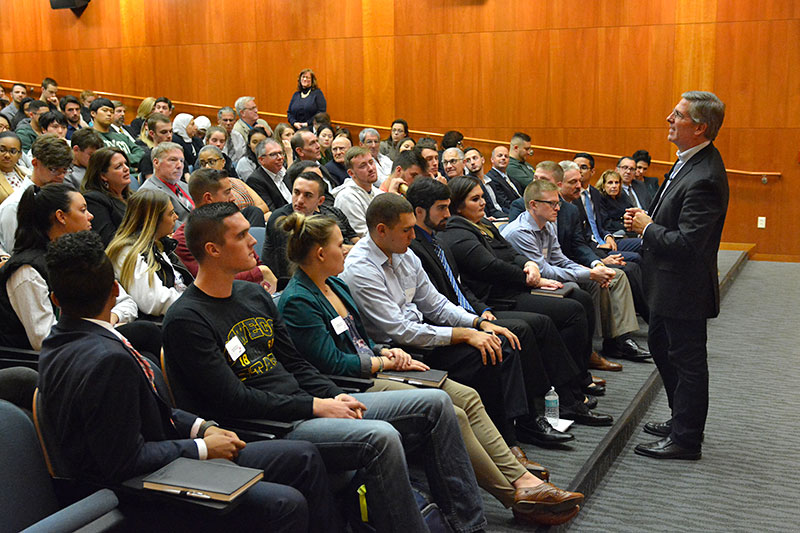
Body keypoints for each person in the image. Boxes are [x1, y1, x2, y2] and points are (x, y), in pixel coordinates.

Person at [162, 201, 487, 533]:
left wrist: (336, 396)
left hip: (307, 403)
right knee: (382, 437)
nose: (253, 241)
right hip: (271, 425)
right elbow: (232, 399)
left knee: (436, 403)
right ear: (213, 249)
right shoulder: (187, 319)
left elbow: (296, 364)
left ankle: (468, 524)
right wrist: (316, 406)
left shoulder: (252, 295)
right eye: (242, 235)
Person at [277, 211, 584, 526]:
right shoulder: (299, 300)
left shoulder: (335, 286)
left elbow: (364, 338)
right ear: (319, 253)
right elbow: (329, 363)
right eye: (339, 244)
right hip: (350, 385)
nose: (346, 249)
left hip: (379, 366)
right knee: (454, 412)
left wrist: (385, 350)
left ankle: (522, 481)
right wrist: (383, 360)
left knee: (467, 397)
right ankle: (515, 493)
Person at [38, 230, 338, 532]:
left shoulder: (56, 342)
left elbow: (151, 411)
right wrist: (202, 448)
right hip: (146, 492)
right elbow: (125, 461)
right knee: (286, 503)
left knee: (304, 455)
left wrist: (203, 427)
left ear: (55, 299)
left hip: (165, 457)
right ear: (116, 291)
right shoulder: (107, 360)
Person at [439, 177, 612, 421]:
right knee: (565, 313)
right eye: (474, 199)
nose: (482, 203)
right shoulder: (458, 232)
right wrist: (529, 277)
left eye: (481, 197)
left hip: (512, 290)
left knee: (579, 300)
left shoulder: (484, 225)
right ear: (458, 206)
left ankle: (575, 384)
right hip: (496, 299)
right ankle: (567, 395)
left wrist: (528, 263)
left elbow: (511, 253)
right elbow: (490, 267)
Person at [626, 91, 728, 460]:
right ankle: (679, 418)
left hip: (683, 287)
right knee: (663, 351)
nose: (669, 118)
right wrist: (645, 224)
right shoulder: (688, 161)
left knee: (687, 362)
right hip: (664, 284)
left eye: (678, 115)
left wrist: (647, 227)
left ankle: (686, 440)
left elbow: (688, 244)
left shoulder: (706, 176)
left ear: (699, 127)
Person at [501, 177, 649, 363]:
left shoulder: (546, 226)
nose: (558, 208)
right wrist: (589, 273)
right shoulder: (520, 232)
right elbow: (544, 270)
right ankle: (578, 356)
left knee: (595, 283)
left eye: (558, 203)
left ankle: (594, 347)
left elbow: (560, 259)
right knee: (576, 289)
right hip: (521, 287)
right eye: (552, 204)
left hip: (546, 278)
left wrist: (592, 272)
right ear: (533, 205)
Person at [0, 184, 94, 349]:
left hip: (81, 341)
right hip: (39, 363)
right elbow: (43, 339)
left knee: (142, 333)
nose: (91, 216)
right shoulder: (27, 270)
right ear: (61, 216)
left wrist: (110, 320)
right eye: (83, 210)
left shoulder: (77, 254)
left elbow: (123, 301)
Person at [173, 167, 275, 287]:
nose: (232, 198)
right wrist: (259, 273)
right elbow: (208, 281)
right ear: (208, 198)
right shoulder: (184, 238)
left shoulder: (234, 223)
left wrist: (260, 274)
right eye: (227, 192)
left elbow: (256, 263)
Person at [106, 189, 192, 318]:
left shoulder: (161, 245)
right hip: (166, 322)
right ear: (153, 221)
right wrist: (196, 304)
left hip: (182, 311)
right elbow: (155, 302)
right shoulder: (127, 252)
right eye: (171, 213)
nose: (176, 217)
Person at [263, 170, 358, 281]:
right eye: (296, 192)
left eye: (308, 195)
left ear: (320, 201)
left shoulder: (319, 218)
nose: (299, 200)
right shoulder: (281, 219)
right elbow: (297, 264)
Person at [0, 134, 73, 253]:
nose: (61, 177)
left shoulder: (61, 198)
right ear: (35, 163)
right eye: (53, 169)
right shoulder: (14, 205)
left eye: (64, 170)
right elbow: (15, 255)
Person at [197, 144, 271, 218]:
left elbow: (263, 206)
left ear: (223, 162)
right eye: (203, 163)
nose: (207, 167)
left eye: (211, 162)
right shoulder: (205, 192)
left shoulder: (236, 181)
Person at [81, 147, 131, 247]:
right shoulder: (94, 200)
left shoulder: (132, 196)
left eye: (125, 164)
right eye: (118, 167)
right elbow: (108, 239)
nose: (126, 168)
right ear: (103, 176)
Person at [332, 146, 383, 237]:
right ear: (351, 173)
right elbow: (362, 235)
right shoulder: (346, 198)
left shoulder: (376, 192)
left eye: (371, 162)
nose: (371, 168)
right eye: (363, 166)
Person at [139, 142, 194, 222]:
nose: (179, 166)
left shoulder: (183, 185)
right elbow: (167, 226)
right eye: (173, 160)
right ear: (156, 163)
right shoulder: (150, 193)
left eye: (181, 161)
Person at [91, 98, 145, 171]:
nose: (109, 114)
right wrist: (132, 167)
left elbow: (141, 154)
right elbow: (105, 161)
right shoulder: (90, 136)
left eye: (112, 111)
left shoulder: (122, 136)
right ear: (93, 113)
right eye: (105, 110)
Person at [597, 169, 636, 236]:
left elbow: (631, 211)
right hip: (613, 233)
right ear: (603, 185)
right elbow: (606, 223)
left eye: (617, 182)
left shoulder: (622, 196)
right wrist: (626, 225)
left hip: (628, 230)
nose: (614, 186)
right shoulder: (599, 198)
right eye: (610, 183)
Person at [0, 132, 29, 204]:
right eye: (2, 150)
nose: (7, 155)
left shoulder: (25, 173)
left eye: (13, 151)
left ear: (20, 155)